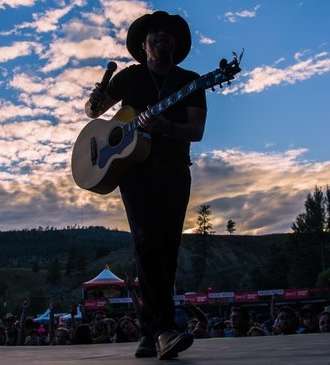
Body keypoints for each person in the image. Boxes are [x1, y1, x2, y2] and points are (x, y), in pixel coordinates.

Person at [85, 10, 206, 360]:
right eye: (155, 34)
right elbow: (95, 112)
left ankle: (148, 332)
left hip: (174, 170)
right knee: (147, 242)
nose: (162, 38)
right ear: (143, 44)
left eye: (168, 34)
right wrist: (95, 100)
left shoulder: (192, 80)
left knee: (167, 250)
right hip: (135, 171)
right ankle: (166, 329)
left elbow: (196, 131)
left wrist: (165, 127)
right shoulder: (128, 79)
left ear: (176, 43)